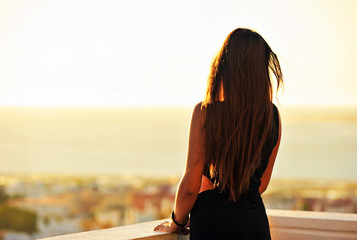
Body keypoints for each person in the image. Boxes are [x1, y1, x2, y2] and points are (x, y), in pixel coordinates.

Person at [154, 28, 283, 239]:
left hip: (212, 224)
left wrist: (176, 222)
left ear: (225, 66)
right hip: (253, 224)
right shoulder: (272, 116)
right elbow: (261, 184)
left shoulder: (205, 113)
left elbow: (189, 187)